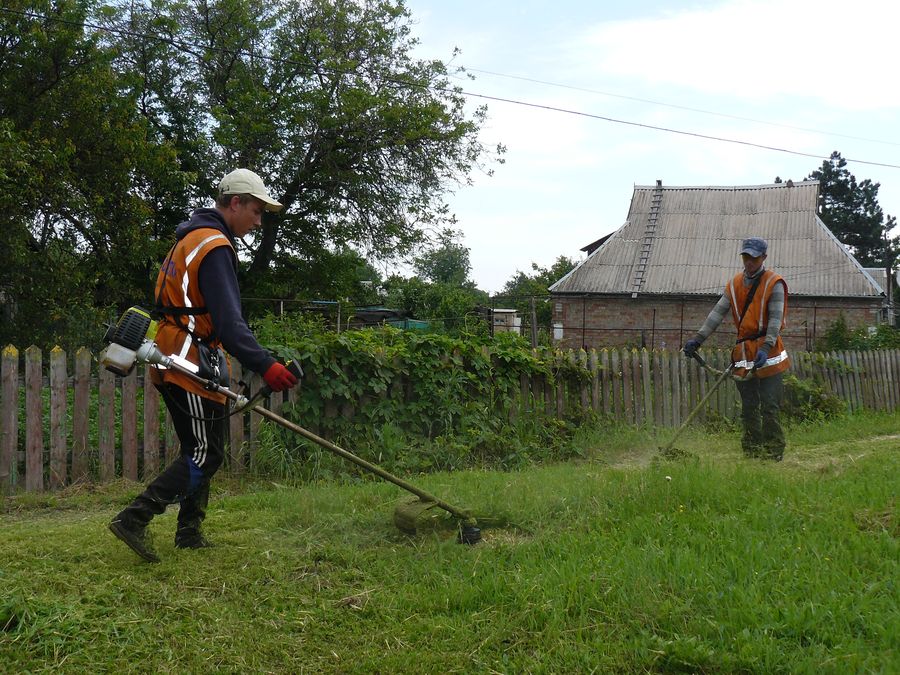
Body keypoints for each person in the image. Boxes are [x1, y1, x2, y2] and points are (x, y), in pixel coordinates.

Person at [109, 169, 299, 562]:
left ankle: (190, 531)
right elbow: (230, 324)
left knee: (204, 447)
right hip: (188, 357)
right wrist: (266, 365)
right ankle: (134, 518)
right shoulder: (214, 245)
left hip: (182, 352)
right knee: (205, 453)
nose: (259, 220)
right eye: (257, 210)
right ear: (235, 203)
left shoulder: (192, 238)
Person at [683, 237, 790, 461]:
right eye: (746, 257)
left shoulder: (774, 283)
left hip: (768, 354)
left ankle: (773, 452)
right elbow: (716, 314)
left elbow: (775, 319)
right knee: (749, 407)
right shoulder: (733, 285)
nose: (749, 262)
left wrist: (767, 346)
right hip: (743, 353)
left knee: (769, 406)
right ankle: (752, 450)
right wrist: (698, 339)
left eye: (754, 257)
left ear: (763, 258)